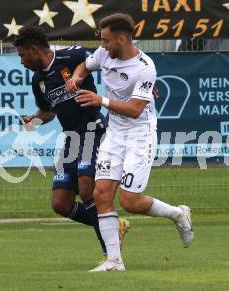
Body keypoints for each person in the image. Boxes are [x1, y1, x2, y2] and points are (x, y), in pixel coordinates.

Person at [65, 13, 194, 272]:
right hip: (115, 134)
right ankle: (114, 261)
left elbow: (135, 109)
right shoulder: (104, 55)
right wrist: (76, 77)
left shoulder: (145, 67)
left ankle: (179, 214)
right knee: (101, 194)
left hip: (140, 134)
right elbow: (85, 65)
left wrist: (99, 100)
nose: (102, 46)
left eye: (106, 40)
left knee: (130, 202)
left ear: (121, 39)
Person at [11, 26, 130, 262]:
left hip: (92, 130)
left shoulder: (71, 56)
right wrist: (33, 121)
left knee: (87, 189)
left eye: (22, 55)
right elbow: (48, 113)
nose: (22, 61)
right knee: (60, 204)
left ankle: (110, 255)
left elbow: (95, 61)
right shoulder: (38, 82)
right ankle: (114, 225)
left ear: (34, 50)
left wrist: (76, 76)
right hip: (70, 139)